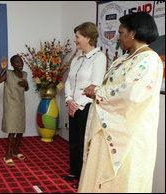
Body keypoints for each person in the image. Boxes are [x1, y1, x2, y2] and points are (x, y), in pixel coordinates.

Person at [78, 12, 162, 192]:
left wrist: (98, 92)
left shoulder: (149, 59)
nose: (118, 37)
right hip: (107, 129)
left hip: (127, 135)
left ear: (133, 33)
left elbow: (130, 95)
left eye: (121, 32)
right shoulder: (124, 58)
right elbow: (111, 85)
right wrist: (97, 90)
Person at [62, 22, 107, 189]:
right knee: (73, 141)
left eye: (77, 37)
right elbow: (68, 82)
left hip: (86, 106)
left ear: (88, 38)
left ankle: (83, 178)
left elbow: (94, 86)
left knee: (84, 143)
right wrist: (69, 100)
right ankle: (74, 171)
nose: (75, 40)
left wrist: (77, 105)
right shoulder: (77, 58)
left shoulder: (99, 57)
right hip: (73, 105)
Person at [0, 55, 29, 167]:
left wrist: (26, 85)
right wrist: (1, 69)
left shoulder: (24, 75)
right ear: (12, 65)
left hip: (20, 105)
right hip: (10, 106)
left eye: (21, 61)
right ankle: (8, 154)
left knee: (20, 130)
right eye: (17, 62)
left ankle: (16, 150)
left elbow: (26, 88)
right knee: (12, 130)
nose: (20, 64)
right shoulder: (8, 74)